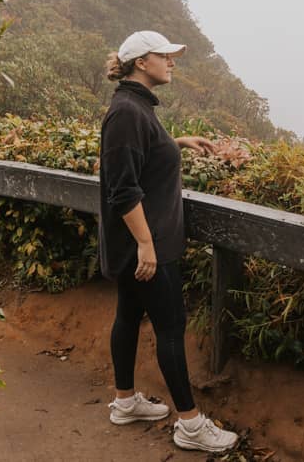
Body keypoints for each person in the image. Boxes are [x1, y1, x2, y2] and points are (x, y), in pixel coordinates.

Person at [97, 30, 239, 454]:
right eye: (165, 56)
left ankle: (125, 402)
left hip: (139, 243)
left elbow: (137, 156)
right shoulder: (126, 112)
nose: (172, 62)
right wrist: (145, 244)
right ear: (142, 62)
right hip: (148, 244)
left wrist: (175, 145)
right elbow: (123, 189)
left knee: (127, 316)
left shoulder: (135, 106)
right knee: (171, 328)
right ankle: (192, 425)